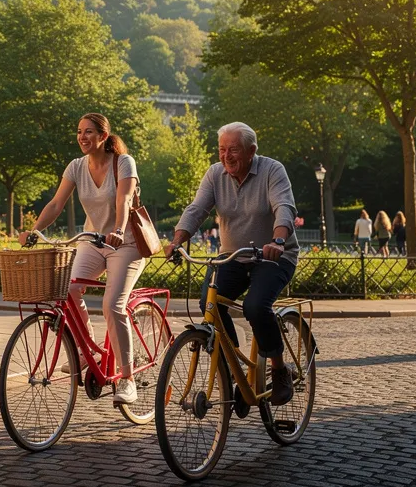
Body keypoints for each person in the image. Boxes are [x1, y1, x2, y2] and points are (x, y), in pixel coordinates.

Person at [167, 121, 299, 406]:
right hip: (233, 257)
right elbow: (197, 209)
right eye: (222, 149)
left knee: (255, 306)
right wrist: (178, 240)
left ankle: (279, 370)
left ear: (251, 151)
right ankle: (234, 368)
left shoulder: (272, 170)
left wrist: (277, 241)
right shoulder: (216, 174)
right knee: (208, 305)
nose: (226, 156)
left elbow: (284, 207)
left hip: (273, 257)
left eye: (234, 150)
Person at [17, 113, 144, 405]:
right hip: (93, 241)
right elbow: (56, 203)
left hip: (125, 243)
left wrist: (119, 229)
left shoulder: (123, 162)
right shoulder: (76, 167)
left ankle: (127, 379)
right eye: (78, 132)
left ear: (103, 136)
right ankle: (88, 350)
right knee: (68, 288)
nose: (82, 137)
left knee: (113, 306)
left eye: (89, 132)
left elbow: (123, 200)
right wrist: (34, 231)